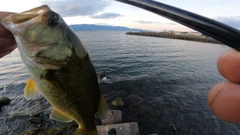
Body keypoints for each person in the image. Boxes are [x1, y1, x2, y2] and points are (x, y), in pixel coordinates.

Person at [1, 12, 240, 124]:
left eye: (51, 23)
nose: (47, 19)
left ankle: (86, 127)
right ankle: (86, 124)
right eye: (52, 23)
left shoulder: (49, 62)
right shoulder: (50, 62)